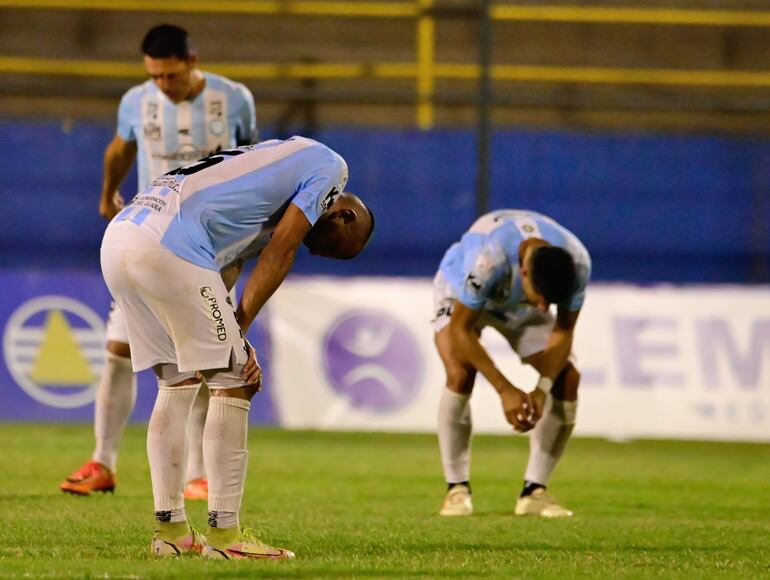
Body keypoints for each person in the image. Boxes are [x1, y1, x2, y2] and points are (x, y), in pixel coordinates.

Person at [100, 136, 374, 559]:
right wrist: (237, 342)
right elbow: (281, 251)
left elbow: (226, 265)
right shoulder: (331, 167)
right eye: (329, 247)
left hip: (122, 236)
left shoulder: (270, 179)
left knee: (177, 380)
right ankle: (226, 539)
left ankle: (170, 532)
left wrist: (230, 330)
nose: (312, 248)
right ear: (343, 213)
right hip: (169, 245)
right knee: (236, 382)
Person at [60, 24, 256, 500]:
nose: (163, 86)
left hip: (209, 246)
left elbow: (250, 159)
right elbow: (120, 148)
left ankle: (196, 474)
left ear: (192, 60)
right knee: (117, 352)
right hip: (150, 242)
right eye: (155, 77)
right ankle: (102, 462)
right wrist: (108, 195)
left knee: (203, 361)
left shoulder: (233, 99)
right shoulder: (136, 101)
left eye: (171, 75)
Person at [433, 209, 590, 518]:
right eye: (542, 299)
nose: (544, 307)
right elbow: (461, 330)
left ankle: (534, 492)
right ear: (524, 273)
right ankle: (456, 489)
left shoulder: (578, 262)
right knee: (460, 371)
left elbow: (564, 329)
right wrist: (505, 389)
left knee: (567, 378)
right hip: (460, 294)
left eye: (551, 303)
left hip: (515, 304)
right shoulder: (487, 258)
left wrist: (541, 390)